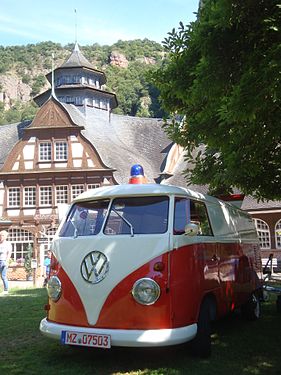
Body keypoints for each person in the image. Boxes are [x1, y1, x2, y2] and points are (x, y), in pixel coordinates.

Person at [0, 230, 12, 295]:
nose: (1, 236)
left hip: (3, 261)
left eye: (2, 235)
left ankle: (6, 290)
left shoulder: (8, 244)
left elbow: (9, 253)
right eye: (0, 235)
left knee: (3, 276)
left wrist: (6, 261)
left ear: (6, 236)